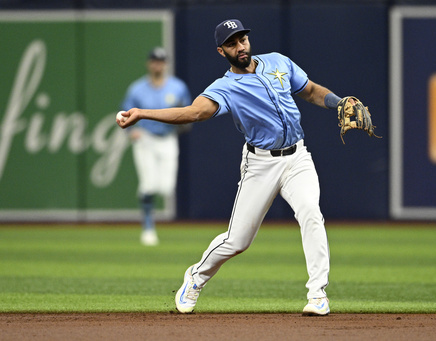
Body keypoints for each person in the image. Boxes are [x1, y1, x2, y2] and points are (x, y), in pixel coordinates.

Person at [117, 19, 351, 315]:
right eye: (232, 43)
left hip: (297, 158)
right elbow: (193, 113)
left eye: (242, 40)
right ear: (221, 51)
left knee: (311, 214)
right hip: (260, 164)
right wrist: (143, 114)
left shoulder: (278, 62)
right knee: (237, 241)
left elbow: (311, 90)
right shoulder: (226, 87)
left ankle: (317, 295)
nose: (240, 47)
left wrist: (338, 102)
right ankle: (196, 277)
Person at [121, 47, 192, 246]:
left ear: (166, 64)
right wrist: (129, 131)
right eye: (154, 61)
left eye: (161, 61)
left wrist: (184, 123)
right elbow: (123, 113)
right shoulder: (137, 88)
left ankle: (149, 219)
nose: (157, 64)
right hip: (145, 138)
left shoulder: (177, 87)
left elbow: (189, 112)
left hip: (168, 138)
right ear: (149, 63)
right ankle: (148, 226)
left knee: (166, 187)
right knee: (149, 184)